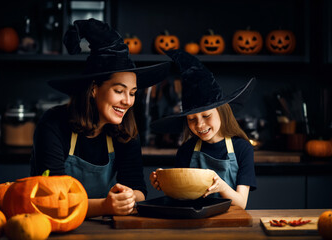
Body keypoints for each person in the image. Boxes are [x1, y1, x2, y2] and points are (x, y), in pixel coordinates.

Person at [30, 18, 170, 217]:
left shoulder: (125, 131)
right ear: (94, 89)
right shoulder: (53, 124)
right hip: (54, 228)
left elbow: (139, 191)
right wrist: (105, 206)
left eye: (132, 93)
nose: (128, 101)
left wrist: (130, 196)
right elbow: (51, 198)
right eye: (119, 91)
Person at [149, 50, 256, 209]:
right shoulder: (186, 150)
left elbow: (241, 203)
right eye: (192, 119)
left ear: (221, 111)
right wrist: (165, 182)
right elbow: (180, 199)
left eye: (206, 116)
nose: (199, 125)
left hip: (230, 225)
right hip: (194, 225)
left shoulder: (242, 149)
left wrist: (221, 186)